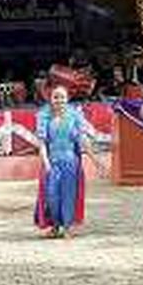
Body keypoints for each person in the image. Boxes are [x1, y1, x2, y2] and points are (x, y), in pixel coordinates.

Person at [35, 86, 104, 239]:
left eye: (62, 97)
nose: (59, 101)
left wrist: (96, 160)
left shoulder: (74, 115)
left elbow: (82, 140)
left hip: (70, 162)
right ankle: (55, 225)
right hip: (52, 161)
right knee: (51, 195)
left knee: (68, 195)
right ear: (50, 99)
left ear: (67, 99)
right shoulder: (44, 115)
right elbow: (41, 142)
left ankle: (66, 227)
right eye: (56, 97)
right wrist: (46, 163)